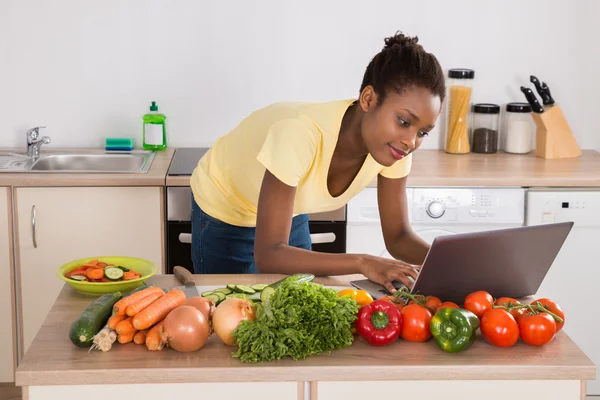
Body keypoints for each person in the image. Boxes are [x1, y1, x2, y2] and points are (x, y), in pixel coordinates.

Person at [190, 31, 446, 293]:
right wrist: (363, 262)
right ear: (368, 99)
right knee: (233, 316)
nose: (411, 141)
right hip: (227, 204)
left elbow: (398, 237)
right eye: (404, 122)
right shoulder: (300, 134)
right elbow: (269, 256)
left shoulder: (395, 147)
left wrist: (448, 264)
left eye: (422, 132)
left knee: (299, 305)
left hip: (286, 210)